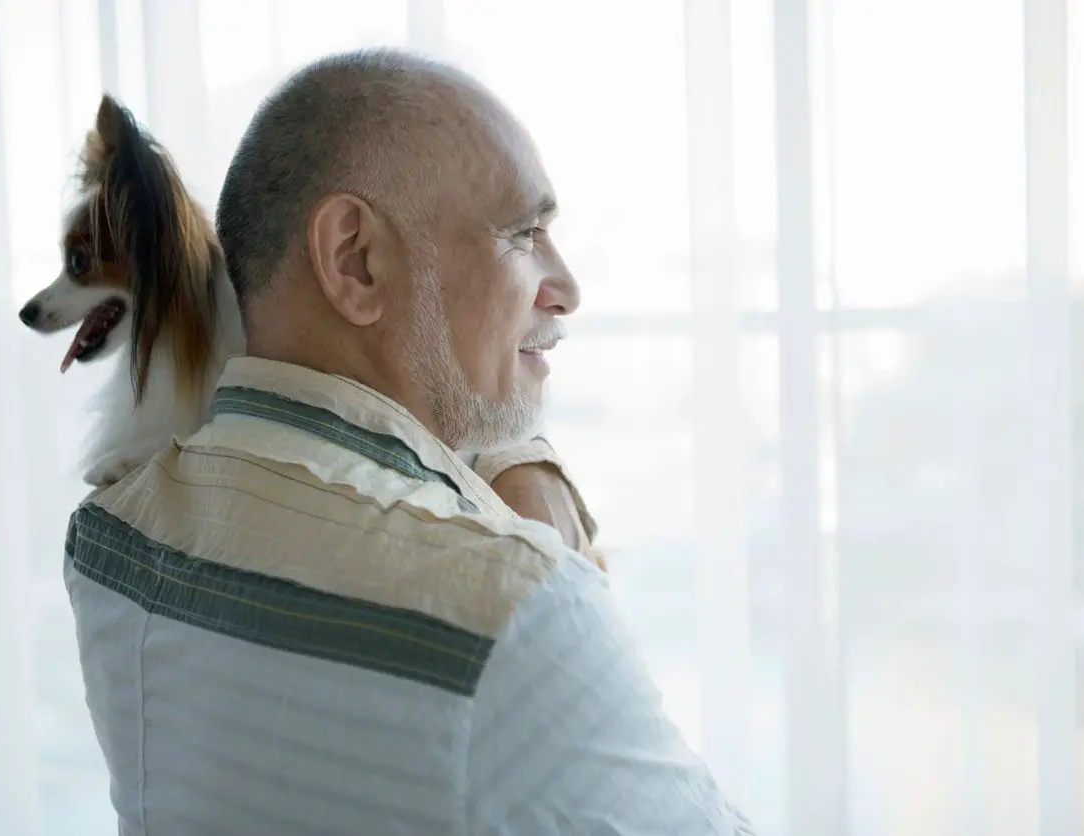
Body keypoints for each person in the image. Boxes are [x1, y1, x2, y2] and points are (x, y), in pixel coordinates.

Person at [63, 47, 754, 835]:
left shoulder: (110, 535)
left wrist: (510, 453)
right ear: (354, 261)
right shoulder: (517, 609)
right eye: (524, 234)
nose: (566, 286)